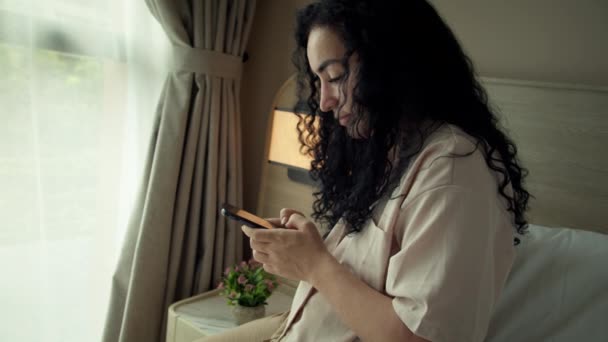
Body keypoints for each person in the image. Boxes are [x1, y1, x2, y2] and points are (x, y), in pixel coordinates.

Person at [197, 0, 530, 341]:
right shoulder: (390, 153)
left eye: (336, 76)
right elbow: (365, 274)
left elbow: (418, 337)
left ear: (389, 62)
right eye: (318, 81)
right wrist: (306, 251)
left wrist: (315, 265)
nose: (324, 101)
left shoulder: (453, 173)